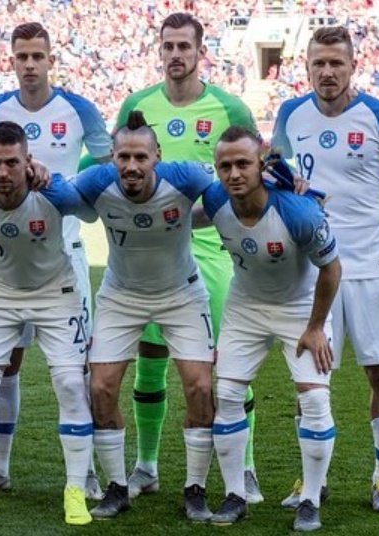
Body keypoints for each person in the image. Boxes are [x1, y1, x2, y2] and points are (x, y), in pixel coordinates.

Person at [99, 12, 262, 513]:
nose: (175, 55)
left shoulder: (229, 106)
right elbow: (111, 170)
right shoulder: (137, 105)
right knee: (149, 366)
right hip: (147, 258)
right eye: (167, 46)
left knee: (224, 371)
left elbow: (250, 173)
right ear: (160, 50)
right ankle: (146, 466)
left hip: (211, 257)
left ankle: (245, 466)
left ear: (199, 51)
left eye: (183, 46)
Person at [0, 22, 111, 497]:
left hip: (63, 254)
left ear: (50, 59)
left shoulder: (79, 109)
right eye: (21, 56)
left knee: (75, 370)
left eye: (36, 56)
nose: (29, 64)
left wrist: (62, 183)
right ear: (11, 59)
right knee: (6, 365)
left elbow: (106, 166)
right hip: (7, 256)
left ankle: (85, 476)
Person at [272, 25, 379, 514]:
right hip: (313, 270)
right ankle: (311, 478)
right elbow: (276, 176)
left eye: (337, 63)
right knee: (309, 380)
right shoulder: (291, 114)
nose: (327, 72)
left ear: (353, 65)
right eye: (319, 63)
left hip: (373, 267)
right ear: (307, 66)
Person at [0, 121, 93, 526]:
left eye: (12, 162)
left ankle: (76, 490)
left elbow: (89, 211)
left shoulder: (52, 191)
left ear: (28, 161)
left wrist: (54, 178)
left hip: (55, 290)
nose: (3, 173)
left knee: (69, 383)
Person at [73, 111, 215, 520]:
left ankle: (195, 489)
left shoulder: (185, 177)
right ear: (112, 157)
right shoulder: (96, 181)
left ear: (158, 156)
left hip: (182, 295)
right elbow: (55, 198)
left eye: (141, 157)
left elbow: (232, 196)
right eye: (123, 157)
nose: (131, 166)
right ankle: (117, 487)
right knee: (100, 388)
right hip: (121, 296)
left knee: (200, 388)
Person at [203, 126, 341, 532]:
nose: (234, 174)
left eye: (243, 164)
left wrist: (316, 327)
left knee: (314, 402)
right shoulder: (214, 200)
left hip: (300, 309)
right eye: (224, 166)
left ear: (261, 164)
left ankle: (311, 499)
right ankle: (234, 495)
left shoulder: (298, 212)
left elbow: (332, 269)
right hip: (245, 307)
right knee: (227, 394)